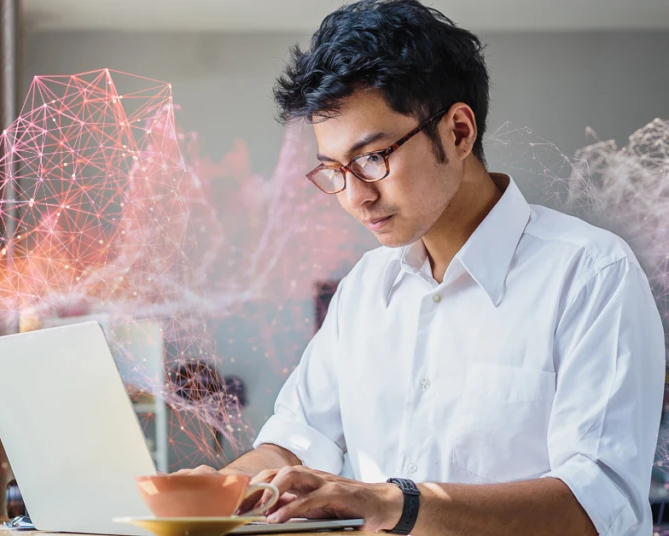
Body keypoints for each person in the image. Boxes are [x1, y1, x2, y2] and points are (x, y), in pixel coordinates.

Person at [176, 1, 666, 534]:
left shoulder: (591, 275)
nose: (355, 198)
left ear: (458, 132)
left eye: (372, 158)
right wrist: (222, 486)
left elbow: (598, 505)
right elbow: (295, 439)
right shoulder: (365, 289)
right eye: (334, 170)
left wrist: (397, 504)